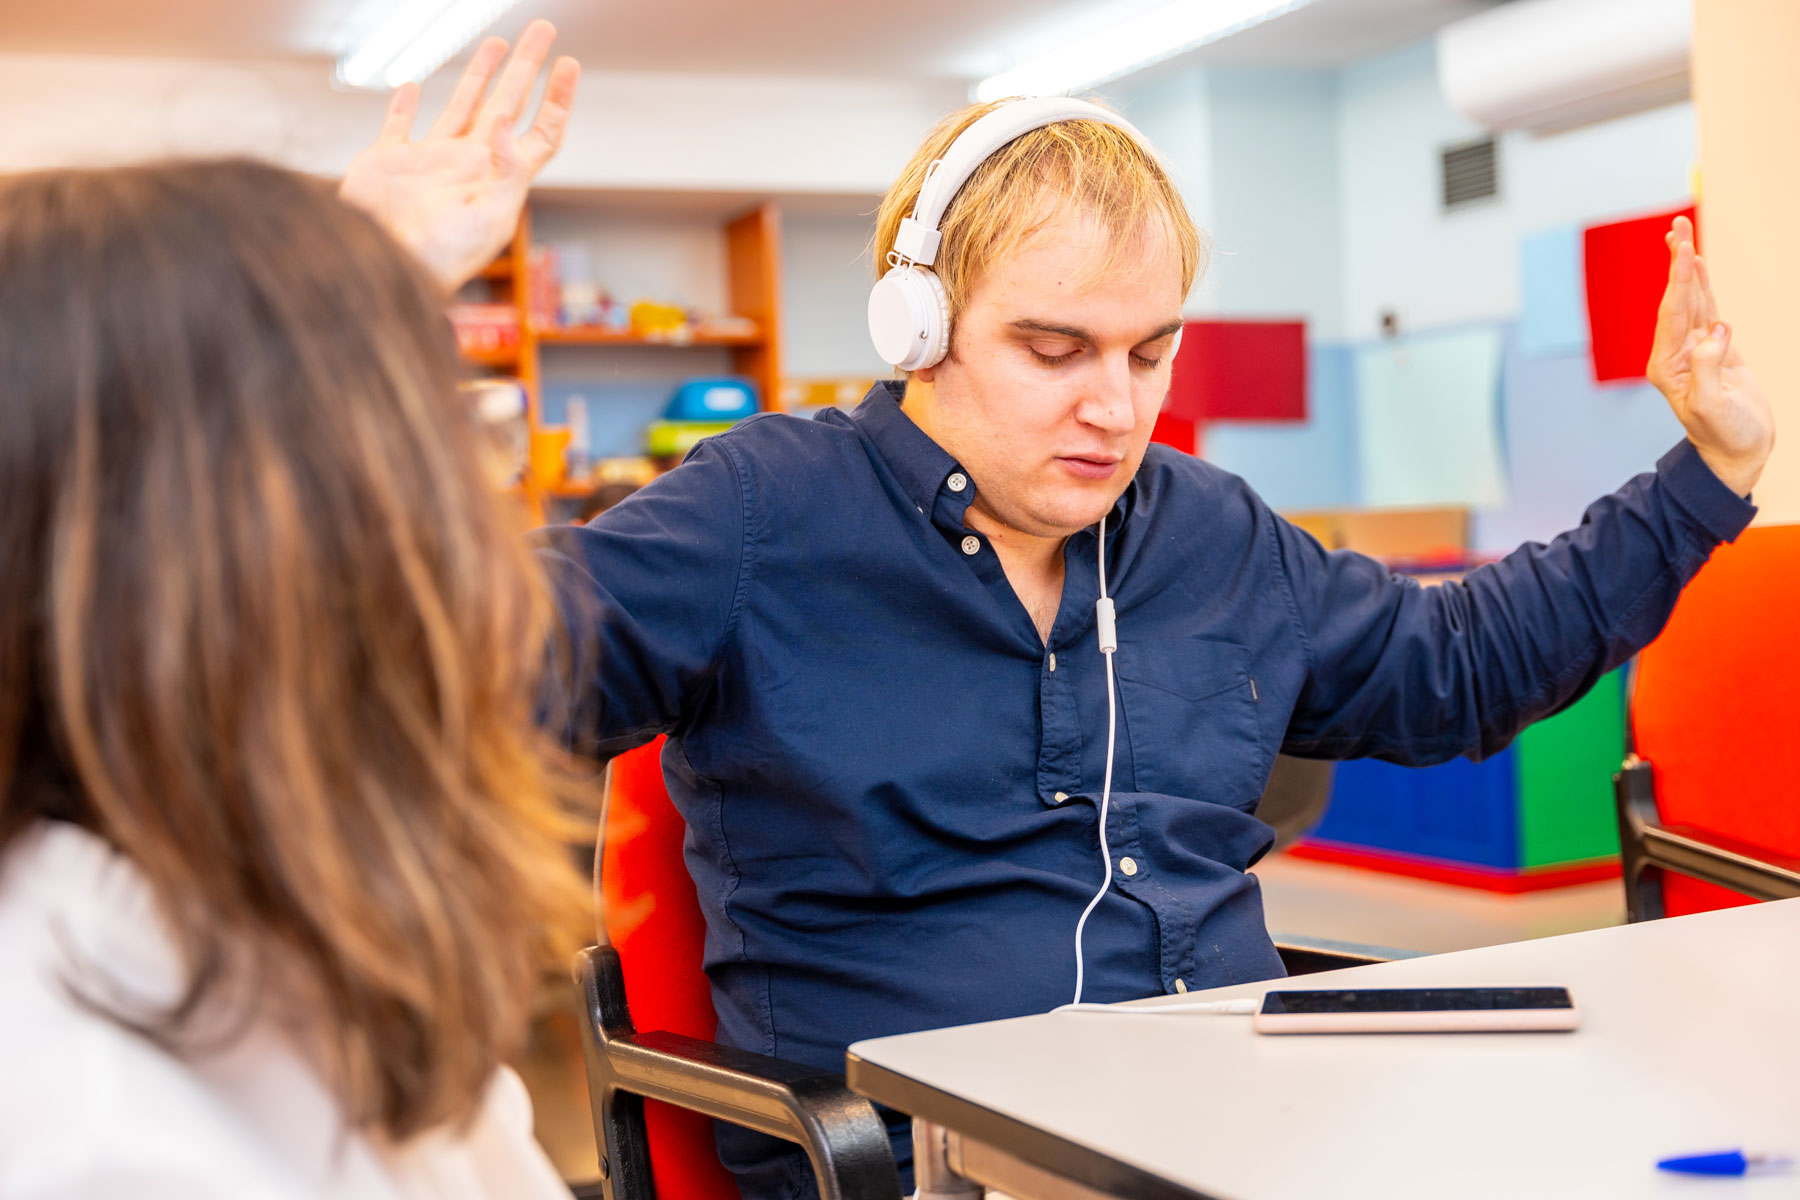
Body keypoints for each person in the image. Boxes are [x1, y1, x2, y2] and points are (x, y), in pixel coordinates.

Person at [528, 83, 1774, 1193]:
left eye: (1151, 353)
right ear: (917, 326)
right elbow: (467, 664)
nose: (1114, 409)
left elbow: (1460, 665)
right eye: (1052, 349)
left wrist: (1706, 471)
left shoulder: (1209, 531)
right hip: (920, 1159)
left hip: (1231, 1124)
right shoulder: (760, 513)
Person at [0, 53, 595, 1194]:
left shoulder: (238, 896)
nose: (473, 538)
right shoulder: (86, 1128)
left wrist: (343, 288)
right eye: (418, 460)